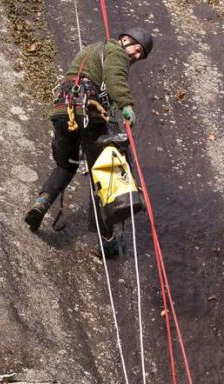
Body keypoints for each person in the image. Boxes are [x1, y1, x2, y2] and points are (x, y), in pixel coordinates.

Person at [24, 27, 153, 256]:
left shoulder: (90, 51)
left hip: (63, 113)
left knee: (66, 165)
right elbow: (115, 77)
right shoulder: (116, 52)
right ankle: (108, 240)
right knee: (100, 176)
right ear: (125, 40)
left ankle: (41, 203)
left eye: (138, 57)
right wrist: (126, 104)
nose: (134, 56)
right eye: (136, 50)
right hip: (87, 114)